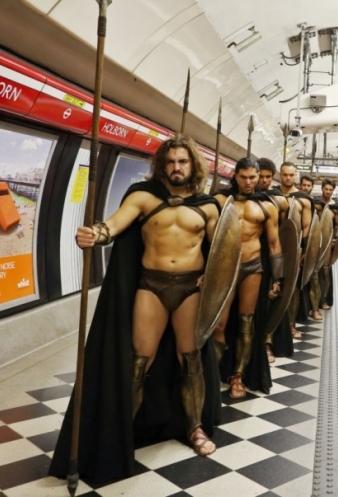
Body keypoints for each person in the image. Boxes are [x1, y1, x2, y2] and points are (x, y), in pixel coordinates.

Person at [50, 137, 222, 485]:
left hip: (190, 288)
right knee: (139, 361)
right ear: (162, 164)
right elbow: (113, 225)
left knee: (190, 358)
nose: (177, 167)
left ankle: (195, 427)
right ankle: (120, 431)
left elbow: (222, 252)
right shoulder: (142, 195)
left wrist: (212, 277)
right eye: (171, 161)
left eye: (183, 162)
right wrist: (93, 234)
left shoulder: (209, 206)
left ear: (194, 166)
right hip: (151, 286)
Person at [212, 158, 282, 398]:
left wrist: (278, 279)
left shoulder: (267, 205)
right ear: (236, 175)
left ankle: (238, 376)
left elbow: (274, 244)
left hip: (252, 266)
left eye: (253, 177)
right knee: (218, 323)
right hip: (224, 267)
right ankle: (212, 373)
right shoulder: (220, 201)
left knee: (246, 322)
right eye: (244, 177)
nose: (249, 182)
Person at [255, 157, 293, 361]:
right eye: (261, 176)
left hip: (270, 253)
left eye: (268, 177)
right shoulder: (246, 197)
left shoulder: (278, 199)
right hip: (250, 252)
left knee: (271, 300)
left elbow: (284, 230)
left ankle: (267, 342)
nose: (265, 181)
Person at [278, 162, 314, 339]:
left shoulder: (303, 199)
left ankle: (291, 325)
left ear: (295, 176)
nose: (288, 178)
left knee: (293, 289)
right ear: (280, 174)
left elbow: (306, 227)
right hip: (275, 249)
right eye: (285, 174)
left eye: (291, 175)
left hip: (295, 250)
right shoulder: (271, 195)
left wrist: (302, 249)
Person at [318, 180, 338, 310]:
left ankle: (324, 299)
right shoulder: (316, 204)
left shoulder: (335, 207)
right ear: (322, 189)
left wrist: (335, 240)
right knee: (314, 273)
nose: (328, 192)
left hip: (328, 243)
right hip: (315, 241)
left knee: (325, 271)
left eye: (330, 190)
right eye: (326, 189)